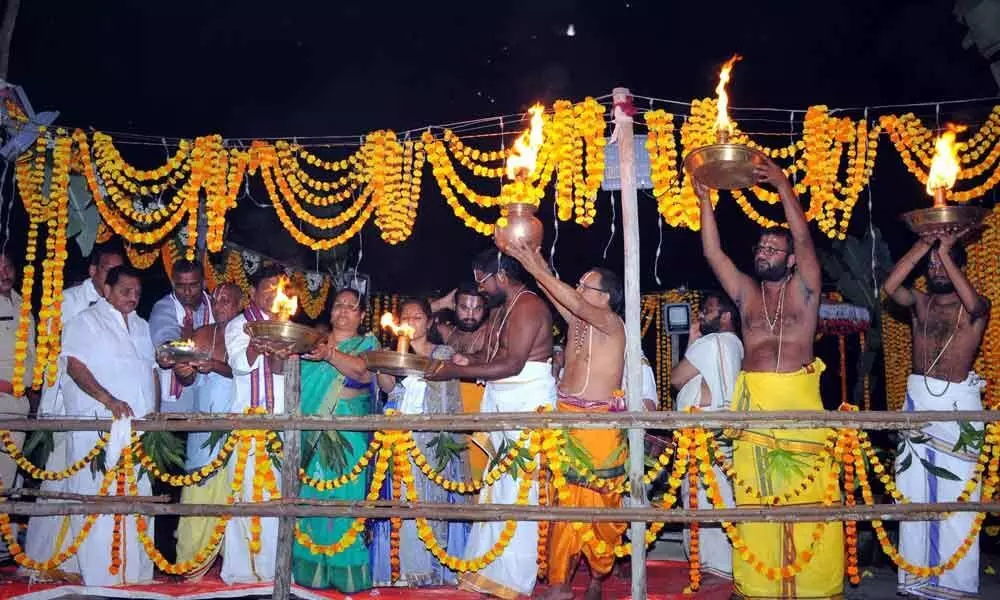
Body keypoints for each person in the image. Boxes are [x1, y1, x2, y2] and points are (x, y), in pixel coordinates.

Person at [696, 159, 843, 599]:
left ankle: (814, 590)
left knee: (809, 499)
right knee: (755, 502)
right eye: (760, 247)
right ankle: (757, 588)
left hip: (800, 402)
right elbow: (713, 255)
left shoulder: (806, 288)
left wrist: (781, 184)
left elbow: (804, 237)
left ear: (792, 260)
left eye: (773, 249)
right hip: (755, 407)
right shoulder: (745, 293)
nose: (763, 253)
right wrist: (705, 202)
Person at [426, 249, 556, 600]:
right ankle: (488, 571)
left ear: (500, 276)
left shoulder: (528, 306)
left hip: (526, 405)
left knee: (520, 493)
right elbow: (493, 356)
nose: (480, 288)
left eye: (482, 280)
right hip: (504, 402)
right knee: (497, 489)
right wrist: (466, 360)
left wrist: (454, 372)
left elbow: (513, 365)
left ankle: (513, 581)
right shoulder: (502, 308)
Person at [505, 240, 627, 600]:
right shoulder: (578, 321)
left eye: (585, 286)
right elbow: (553, 290)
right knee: (562, 501)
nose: (578, 290)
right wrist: (532, 256)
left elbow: (571, 300)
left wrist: (533, 265)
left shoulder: (611, 322)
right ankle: (559, 583)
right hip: (567, 418)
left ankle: (597, 576)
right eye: (578, 285)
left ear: (606, 297)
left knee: (599, 504)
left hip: (599, 426)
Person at [883, 231, 989, 599]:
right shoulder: (920, 302)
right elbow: (890, 287)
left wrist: (943, 251)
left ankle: (954, 586)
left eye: (943, 262)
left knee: (959, 496)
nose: (936, 269)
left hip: (959, 406)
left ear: (960, 265)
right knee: (913, 496)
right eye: (931, 265)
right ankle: (916, 581)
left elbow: (973, 305)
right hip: (919, 402)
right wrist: (922, 246)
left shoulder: (978, 305)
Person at [21, 244, 125, 582]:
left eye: (119, 270)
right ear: (93, 271)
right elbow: (58, 358)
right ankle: (43, 561)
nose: (113, 276)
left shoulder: (119, 308)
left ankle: (81, 563)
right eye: (108, 270)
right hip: (67, 407)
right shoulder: (67, 302)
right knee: (58, 482)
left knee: (91, 486)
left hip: (100, 409)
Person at [58, 265, 157, 586]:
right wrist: (108, 400)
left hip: (139, 430)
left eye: (137, 292)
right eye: (125, 291)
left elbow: (150, 372)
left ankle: (135, 575)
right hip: (98, 428)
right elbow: (75, 366)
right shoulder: (84, 322)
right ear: (107, 290)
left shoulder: (142, 326)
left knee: (139, 498)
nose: (132, 297)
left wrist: (155, 412)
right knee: (97, 498)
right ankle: (101, 577)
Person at [292, 287, 388, 592]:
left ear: (362, 315)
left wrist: (330, 354)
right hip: (311, 433)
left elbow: (361, 372)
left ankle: (346, 574)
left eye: (351, 306)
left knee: (346, 496)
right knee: (311, 497)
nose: (343, 310)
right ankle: (311, 573)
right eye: (338, 305)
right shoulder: (310, 342)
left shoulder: (368, 344)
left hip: (349, 432)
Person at [375, 297, 469, 587]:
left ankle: (434, 570)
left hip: (433, 439)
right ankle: (408, 569)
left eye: (417, 317)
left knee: (430, 500)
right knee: (404, 500)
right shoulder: (396, 354)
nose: (411, 322)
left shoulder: (442, 353)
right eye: (406, 317)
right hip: (402, 436)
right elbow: (390, 391)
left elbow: (446, 395)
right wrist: (384, 368)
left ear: (429, 323)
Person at [222, 263, 291, 583]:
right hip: (248, 424)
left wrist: (279, 345)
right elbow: (239, 364)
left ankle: (272, 571)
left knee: (278, 497)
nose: (275, 293)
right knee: (245, 496)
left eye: (280, 287)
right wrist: (256, 344)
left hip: (280, 423)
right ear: (253, 292)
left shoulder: (287, 324)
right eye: (268, 287)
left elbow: (280, 371)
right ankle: (241, 573)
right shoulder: (240, 325)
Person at [670, 291, 743, 581]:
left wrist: (693, 340)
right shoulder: (735, 344)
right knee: (716, 493)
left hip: (704, 433)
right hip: (722, 431)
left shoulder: (712, 342)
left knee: (706, 494)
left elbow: (677, 378)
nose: (701, 314)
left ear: (726, 316)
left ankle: (716, 566)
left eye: (708, 310)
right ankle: (713, 563)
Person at [172, 283, 243, 579]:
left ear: (239, 304)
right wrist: (183, 371)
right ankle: (190, 566)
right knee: (197, 494)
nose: (219, 304)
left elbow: (244, 371)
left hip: (235, 428)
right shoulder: (201, 334)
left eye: (226, 300)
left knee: (234, 494)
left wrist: (214, 365)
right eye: (216, 299)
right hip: (203, 429)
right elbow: (186, 378)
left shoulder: (247, 333)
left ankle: (232, 567)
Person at [0, 252, 35, 563]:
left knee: (10, 478)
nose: (4, 273)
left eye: (8, 266)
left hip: (19, 406)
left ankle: (6, 546)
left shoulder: (24, 305)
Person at [151, 259, 214, 415]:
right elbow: (166, 350)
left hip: (211, 394)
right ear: (173, 284)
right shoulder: (164, 307)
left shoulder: (215, 305)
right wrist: (208, 353)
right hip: (177, 399)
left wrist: (185, 345)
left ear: (204, 283)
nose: (187, 292)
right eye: (180, 286)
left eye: (193, 285)